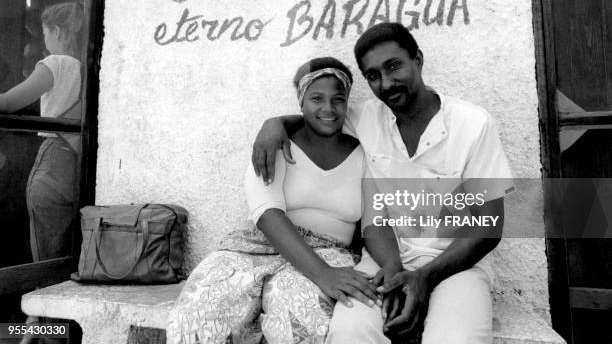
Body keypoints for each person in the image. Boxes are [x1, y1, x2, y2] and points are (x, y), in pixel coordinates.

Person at [251, 23, 514, 343]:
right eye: (373, 75)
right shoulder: (367, 118)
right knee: (350, 333)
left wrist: (423, 278)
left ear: (417, 60)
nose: (386, 83)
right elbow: (319, 118)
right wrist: (274, 124)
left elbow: (488, 227)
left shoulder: (473, 125)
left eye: (394, 66)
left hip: (456, 266)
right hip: (384, 262)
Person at [167, 57, 381, 344]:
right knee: (203, 302)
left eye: (338, 100)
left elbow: (374, 223)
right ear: (301, 101)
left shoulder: (363, 154)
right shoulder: (275, 145)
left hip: (329, 250)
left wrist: (333, 271)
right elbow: (267, 214)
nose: (328, 109)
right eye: (316, 98)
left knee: (298, 310)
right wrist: (323, 274)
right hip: (255, 247)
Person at [0, 1, 83, 262]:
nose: (43, 38)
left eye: (44, 32)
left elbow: (8, 103)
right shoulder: (86, 66)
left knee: (46, 256)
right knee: (68, 253)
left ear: (57, 31)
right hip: (76, 162)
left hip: (53, 161)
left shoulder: (55, 63)